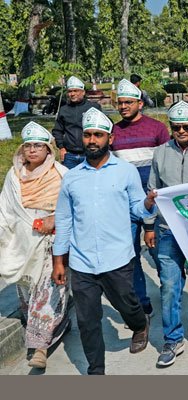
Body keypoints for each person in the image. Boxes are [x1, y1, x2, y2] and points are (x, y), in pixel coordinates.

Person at [51, 107, 157, 375]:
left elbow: (137, 208)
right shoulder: (72, 177)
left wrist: (147, 205)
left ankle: (139, 324)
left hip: (117, 257)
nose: (91, 140)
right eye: (87, 135)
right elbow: (64, 219)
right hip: (82, 262)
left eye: (98, 135)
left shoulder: (126, 171)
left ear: (110, 138)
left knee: (126, 304)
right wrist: (59, 260)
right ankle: (96, 371)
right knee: (88, 321)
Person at [144, 101, 188, 367]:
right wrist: (149, 225)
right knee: (170, 285)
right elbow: (152, 190)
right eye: (176, 127)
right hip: (167, 230)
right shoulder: (161, 153)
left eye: (187, 126)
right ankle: (172, 338)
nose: (181, 131)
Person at [0, 122, 70, 370]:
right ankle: (60, 325)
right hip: (22, 242)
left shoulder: (61, 173)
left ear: (48, 149)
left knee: (48, 290)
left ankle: (39, 347)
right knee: (28, 293)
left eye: (38, 146)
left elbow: (73, 206)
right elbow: (5, 209)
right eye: (28, 145)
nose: (32, 150)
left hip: (51, 242)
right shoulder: (14, 175)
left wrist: (55, 219)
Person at [111, 79, 170, 318]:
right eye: (120, 102)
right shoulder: (113, 132)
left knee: (161, 255)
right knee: (131, 257)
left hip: (154, 203)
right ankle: (142, 305)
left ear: (140, 103)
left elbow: (166, 164)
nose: (123, 106)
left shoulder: (157, 129)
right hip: (125, 206)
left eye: (128, 102)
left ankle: (169, 293)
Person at [51, 76, 102, 169]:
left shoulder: (94, 108)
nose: (72, 94)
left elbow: (103, 130)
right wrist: (61, 148)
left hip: (90, 154)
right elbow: (57, 130)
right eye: (70, 91)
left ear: (83, 92)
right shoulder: (64, 110)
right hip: (70, 156)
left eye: (76, 91)